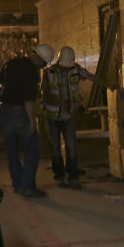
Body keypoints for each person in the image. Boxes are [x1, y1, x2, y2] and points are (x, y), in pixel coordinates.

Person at [0, 43, 54, 198]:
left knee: (12, 151)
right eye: (43, 64)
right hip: (20, 112)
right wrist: (32, 121)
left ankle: (18, 184)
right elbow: (29, 100)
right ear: (39, 59)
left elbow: (0, 82)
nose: (42, 67)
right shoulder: (31, 72)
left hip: (5, 110)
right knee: (32, 150)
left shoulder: (12, 63)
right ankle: (26, 187)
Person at [41, 46, 95, 189]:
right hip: (52, 115)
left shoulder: (76, 69)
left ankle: (73, 177)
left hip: (69, 114)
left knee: (71, 147)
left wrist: (108, 85)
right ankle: (59, 176)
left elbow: (90, 77)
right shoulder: (48, 72)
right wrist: (56, 101)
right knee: (56, 148)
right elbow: (44, 93)